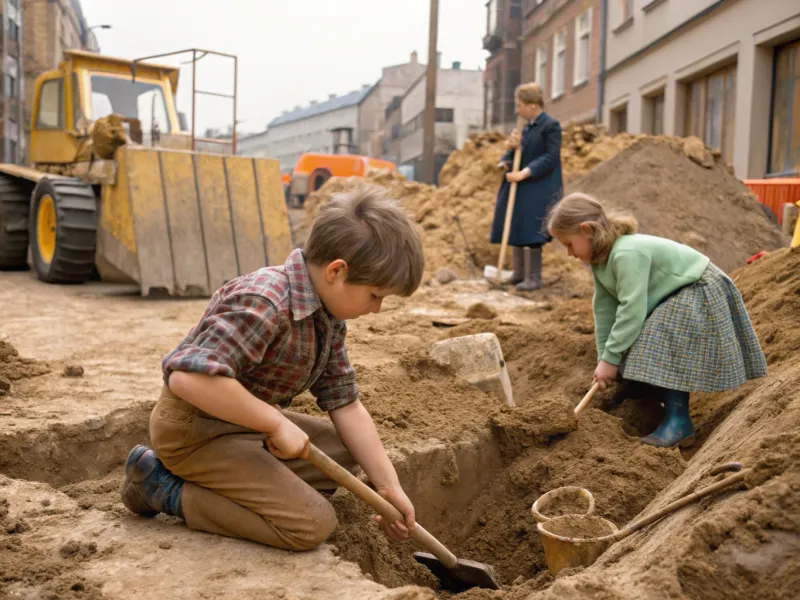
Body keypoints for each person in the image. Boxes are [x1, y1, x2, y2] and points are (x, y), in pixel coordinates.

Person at [120, 183, 424, 551]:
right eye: (374, 295)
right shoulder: (264, 300)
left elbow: (345, 402)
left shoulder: (327, 317)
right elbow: (188, 379)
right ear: (336, 271)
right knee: (311, 525)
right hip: (195, 433)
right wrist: (276, 422)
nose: (376, 308)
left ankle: (242, 480)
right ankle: (163, 489)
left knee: (346, 453)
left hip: (245, 428)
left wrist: (388, 486)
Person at [546, 193, 768, 448]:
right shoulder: (600, 262)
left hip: (699, 287)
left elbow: (632, 309)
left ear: (586, 230)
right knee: (628, 343)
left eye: (569, 244)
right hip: (675, 295)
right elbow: (605, 311)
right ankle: (644, 395)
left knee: (657, 337)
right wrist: (605, 359)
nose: (569, 254)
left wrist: (611, 358)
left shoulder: (626, 253)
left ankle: (678, 421)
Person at [490, 82, 563, 292]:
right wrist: (506, 158)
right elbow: (517, 152)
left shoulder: (550, 126)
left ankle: (533, 278)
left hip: (539, 186)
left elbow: (550, 157)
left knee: (532, 230)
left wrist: (524, 173)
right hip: (520, 185)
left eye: (519, 104)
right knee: (517, 225)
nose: (517, 109)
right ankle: (519, 273)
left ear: (532, 105)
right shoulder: (524, 129)